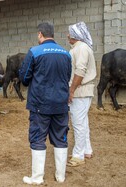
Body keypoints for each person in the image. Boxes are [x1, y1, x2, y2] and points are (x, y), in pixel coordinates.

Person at [19, 22, 72, 185]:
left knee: (37, 138)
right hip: (61, 104)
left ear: (40, 34)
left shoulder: (35, 52)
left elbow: (24, 77)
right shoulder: (66, 53)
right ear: (53, 35)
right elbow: (67, 76)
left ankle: (37, 178)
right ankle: (60, 176)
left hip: (40, 104)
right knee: (61, 138)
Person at [67, 22, 96, 166]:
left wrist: (71, 90)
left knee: (78, 123)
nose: (68, 35)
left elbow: (80, 71)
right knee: (83, 121)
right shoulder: (80, 48)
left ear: (75, 35)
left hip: (80, 91)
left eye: (70, 33)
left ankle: (78, 156)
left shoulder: (81, 48)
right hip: (82, 90)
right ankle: (86, 150)